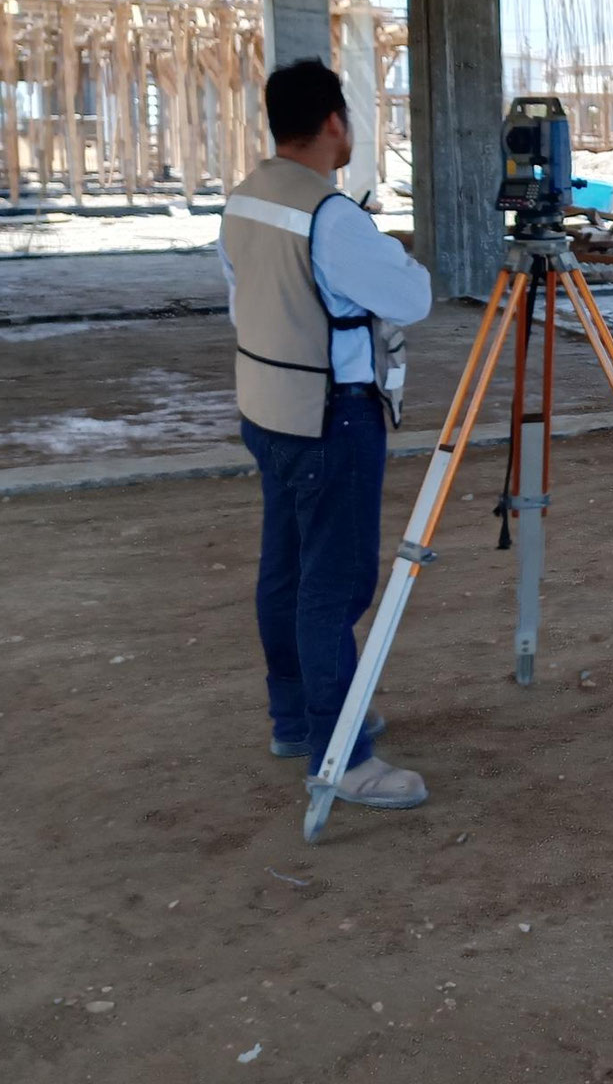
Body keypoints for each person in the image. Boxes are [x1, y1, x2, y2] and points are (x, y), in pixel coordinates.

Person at [220, 60, 434, 810]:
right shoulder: (331, 217)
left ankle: (298, 719)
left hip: (267, 408)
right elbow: (411, 297)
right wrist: (388, 250)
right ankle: (342, 756)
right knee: (333, 585)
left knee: (286, 571)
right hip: (329, 414)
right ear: (335, 122)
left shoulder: (247, 197)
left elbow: (244, 299)